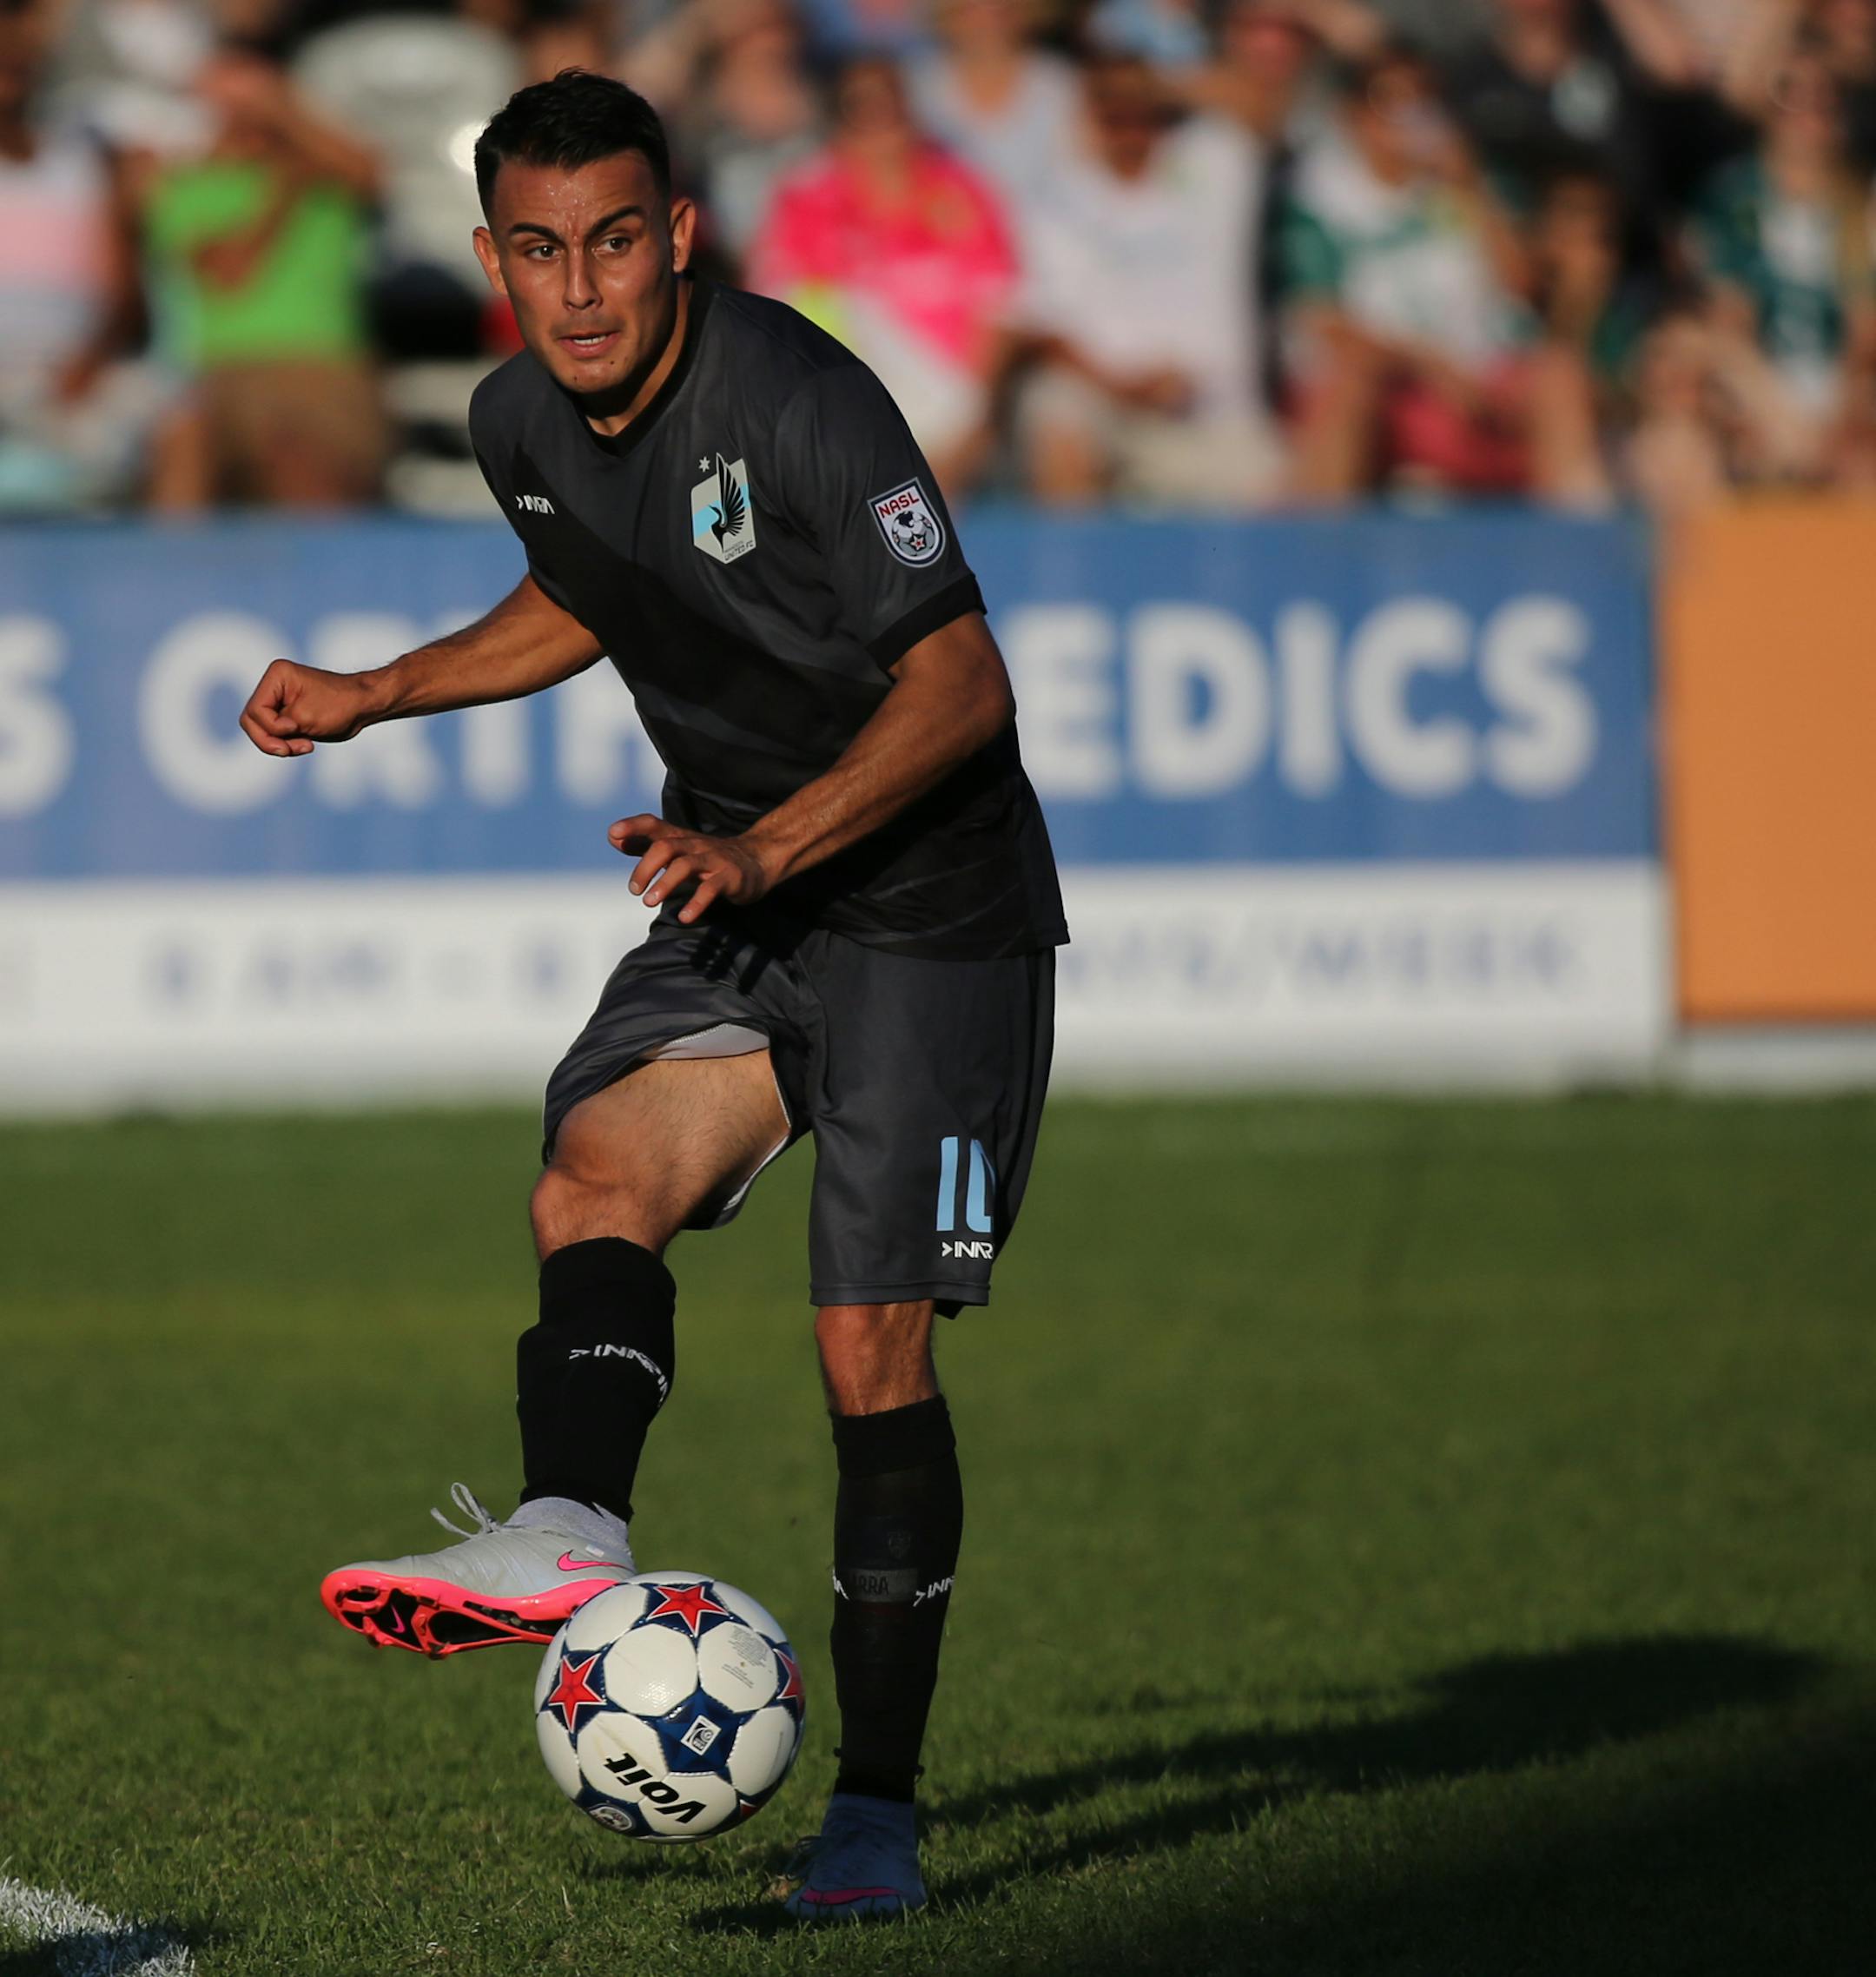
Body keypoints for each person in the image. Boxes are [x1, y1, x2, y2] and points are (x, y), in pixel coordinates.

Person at [237, 69, 1065, 1924]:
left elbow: (963, 688)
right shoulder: (516, 412)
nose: (583, 286)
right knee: (592, 1176)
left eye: (616, 239)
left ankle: (872, 1812)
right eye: (541, 250)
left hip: (930, 910)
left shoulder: (799, 398)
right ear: (491, 262)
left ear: (678, 233)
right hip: (740, 880)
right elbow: (585, 590)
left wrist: (774, 852)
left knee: (870, 1350)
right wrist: (383, 688)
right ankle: (573, 1526)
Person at [1280, 44, 1610, 504]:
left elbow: (1521, 288)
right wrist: (1429, 365)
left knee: (1560, 378)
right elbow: (1325, 325)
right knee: (1351, 386)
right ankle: (1315, 559)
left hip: (1481, 383)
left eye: (1422, 98)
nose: (1408, 114)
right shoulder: (1325, 197)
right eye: (1388, 99)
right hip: (1391, 390)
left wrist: (1471, 189)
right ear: (1353, 115)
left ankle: (1579, 552)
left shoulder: (1466, 188)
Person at [1010, 50, 1285, 506]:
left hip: (1212, 414)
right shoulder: (1055, 200)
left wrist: (1161, 82)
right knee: (1054, 410)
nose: (1130, 129)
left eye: (1142, 110)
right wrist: (1123, 387)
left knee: (1292, 499)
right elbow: (1045, 331)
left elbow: (1263, 102)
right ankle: (1073, 575)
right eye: (1113, 112)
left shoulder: (1210, 166)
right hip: (1110, 405)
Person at [748, 53, 1017, 493]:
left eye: (892, 104)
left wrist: (973, 425)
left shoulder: (963, 189)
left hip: (954, 414)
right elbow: (777, 322)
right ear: (838, 120)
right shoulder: (803, 201)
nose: (882, 121)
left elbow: (1001, 310)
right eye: (862, 108)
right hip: (846, 413)